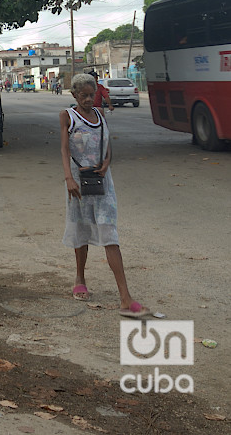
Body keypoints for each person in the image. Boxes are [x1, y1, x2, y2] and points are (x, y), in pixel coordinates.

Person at [61, 73, 148, 318]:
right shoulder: (67, 116)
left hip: (103, 183)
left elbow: (107, 144)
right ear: (74, 95)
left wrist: (107, 162)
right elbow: (64, 148)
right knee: (81, 231)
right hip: (78, 183)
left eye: (92, 95)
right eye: (84, 95)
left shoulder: (100, 115)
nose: (89, 99)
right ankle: (80, 277)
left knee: (110, 233)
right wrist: (68, 177)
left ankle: (125, 296)